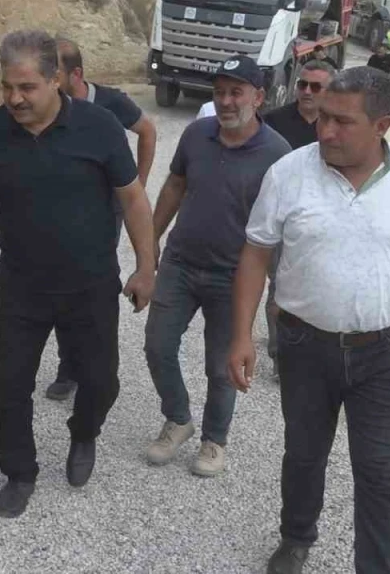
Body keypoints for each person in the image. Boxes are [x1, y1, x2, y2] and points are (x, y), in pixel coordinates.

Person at [227, 66, 390, 574]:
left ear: (382, 126)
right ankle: (295, 537)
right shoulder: (288, 173)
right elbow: (256, 253)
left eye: (342, 122)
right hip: (304, 346)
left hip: (387, 351)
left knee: (380, 473)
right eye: (323, 117)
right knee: (304, 453)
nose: (325, 131)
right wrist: (242, 335)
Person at [0, 30, 157, 519]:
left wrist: (146, 266)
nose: (14, 98)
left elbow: (133, 199)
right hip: (21, 286)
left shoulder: (100, 127)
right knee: (11, 387)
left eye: (26, 87)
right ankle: (19, 472)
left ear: (56, 81)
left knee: (101, 381)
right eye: (7, 87)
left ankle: (84, 433)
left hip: (90, 285)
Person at [144, 55, 290, 477]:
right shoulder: (196, 134)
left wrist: (278, 288)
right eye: (220, 92)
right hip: (180, 263)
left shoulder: (278, 154)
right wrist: (150, 242)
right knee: (157, 346)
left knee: (222, 365)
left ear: (258, 97)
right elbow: (175, 185)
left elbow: (282, 227)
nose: (225, 101)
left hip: (234, 277)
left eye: (236, 93)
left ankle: (214, 439)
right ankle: (178, 419)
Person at [40, 37, 159, 402]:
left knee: (93, 286)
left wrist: (136, 184)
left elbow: (148, 131)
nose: (47, 78)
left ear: (75, 74)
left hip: (105, 210)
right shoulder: (45, 105)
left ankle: (96, 369)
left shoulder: (110, 103)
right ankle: (68, 367)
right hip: (60, 209)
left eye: (54, 71)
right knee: (60, 282)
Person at [260, 60, 335, 380]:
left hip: (324, 223)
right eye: (302, 84)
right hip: (281, 220)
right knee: (281, 288)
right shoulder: (272, 122)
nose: (306, 91)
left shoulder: (338, 127)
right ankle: (280, 356)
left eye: (316, 87)